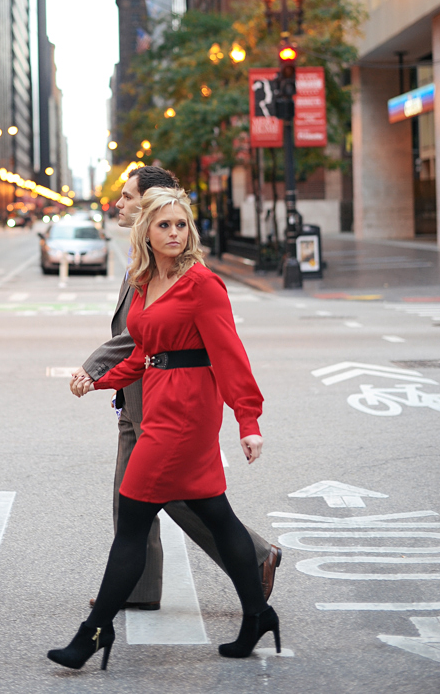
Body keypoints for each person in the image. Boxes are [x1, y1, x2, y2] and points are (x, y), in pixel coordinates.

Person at [48, 187, 280, 671]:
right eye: (164, 225)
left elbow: (230, 356)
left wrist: (248, 419)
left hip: (187, 414)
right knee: (216, 515)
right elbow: (142, 353)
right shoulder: (144, 280)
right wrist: (97, 380)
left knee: (132, 518)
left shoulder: (202, 284)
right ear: (146, 232)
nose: (175, 233)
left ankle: (94, 633)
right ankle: (258, 614)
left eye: (181, 225)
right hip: (158, 403)